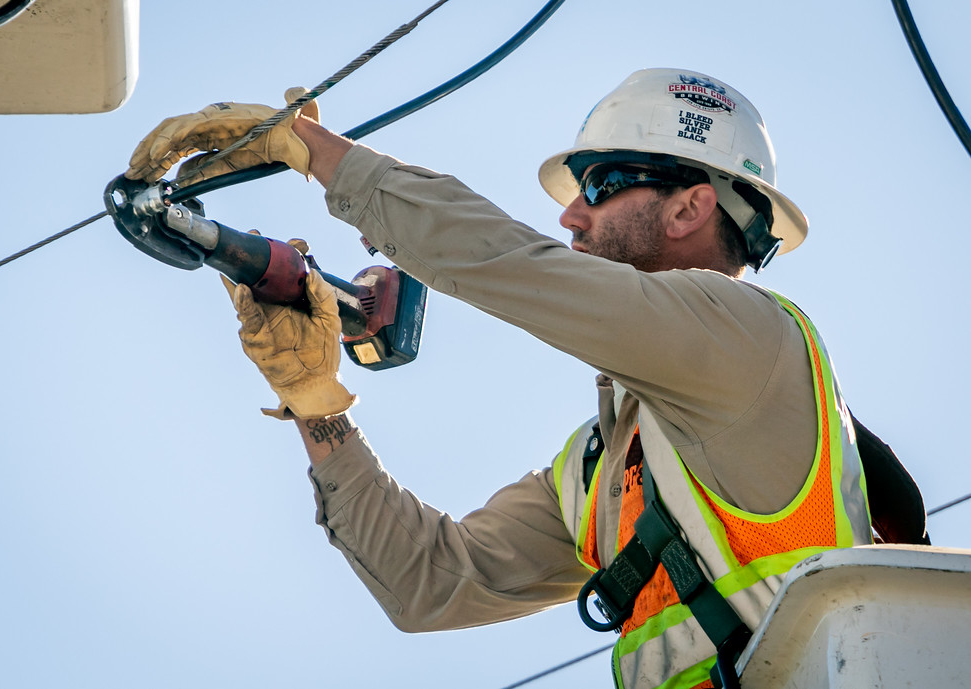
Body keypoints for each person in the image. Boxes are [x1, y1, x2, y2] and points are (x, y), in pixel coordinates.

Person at [125, 69, 874, 689]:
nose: (572, 217)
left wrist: (314, 150)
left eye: (601, 182)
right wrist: (315, 403)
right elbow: (429, 581)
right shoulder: (601, 468)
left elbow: (509, 265)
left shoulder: (748, 337)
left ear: (690, 205)